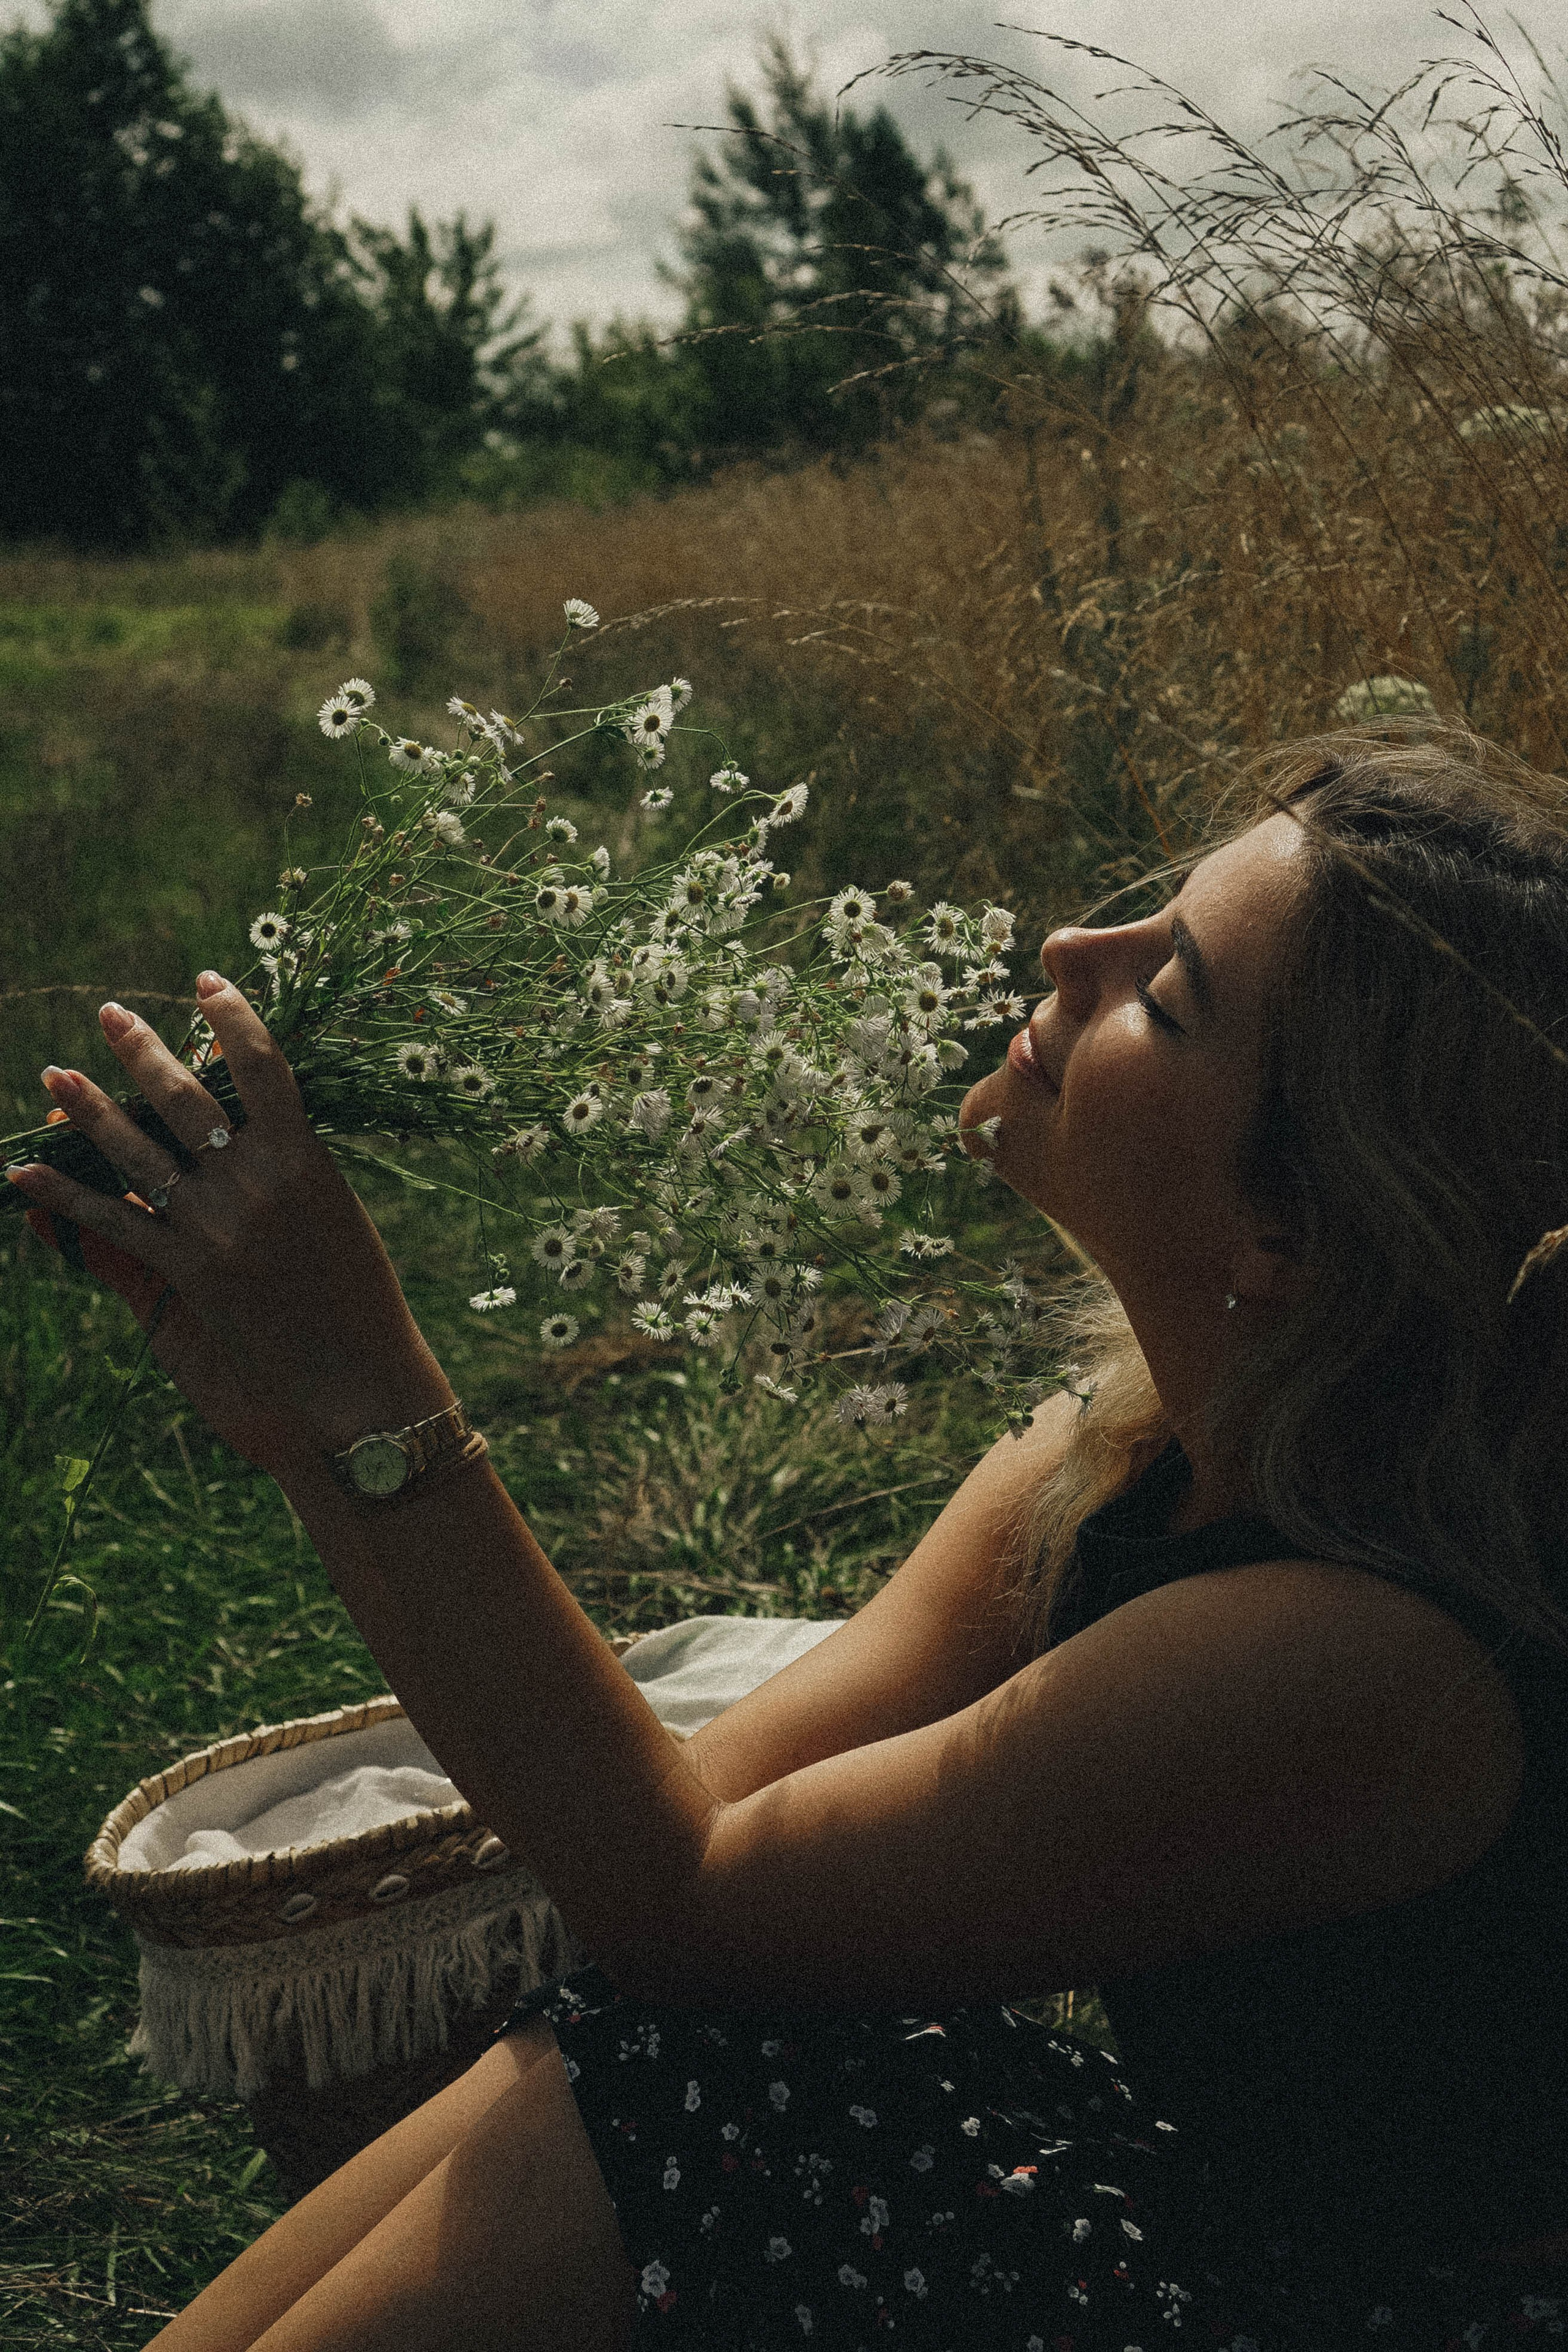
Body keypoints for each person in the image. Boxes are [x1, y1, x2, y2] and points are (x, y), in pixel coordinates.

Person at [14, 717, 1568, 2351]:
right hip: (1253, 2236)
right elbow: (682, 1827)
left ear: (1294, 1228)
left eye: (1165, 994)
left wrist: (367, 1391)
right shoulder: (1115, 1461)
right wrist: (301, 1418)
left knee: (719, 2080)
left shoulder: (1365, 1654)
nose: (1069, 948)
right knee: (672, 2044)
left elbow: (680, 1899)